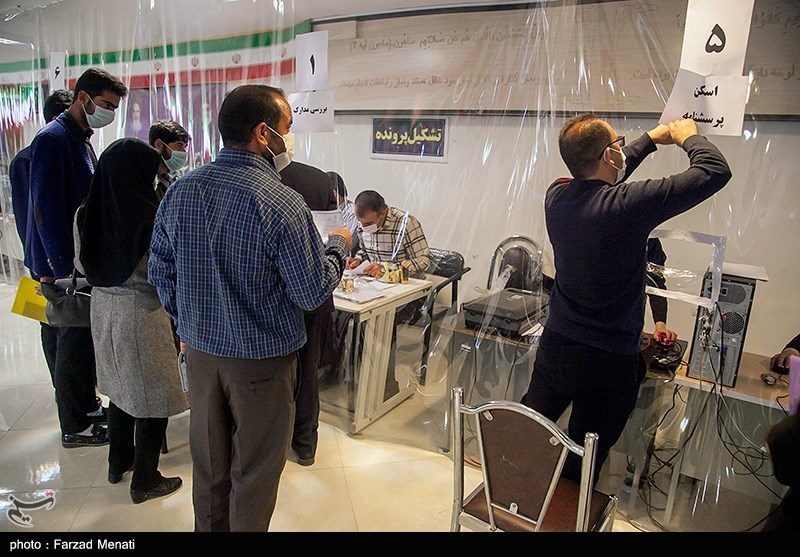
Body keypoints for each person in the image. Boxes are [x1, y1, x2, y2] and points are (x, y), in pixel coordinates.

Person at [148, 84, 351, 531]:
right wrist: (338, 246)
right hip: (262, 366)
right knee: (255, 473)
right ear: (264, 133)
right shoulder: (282, 203)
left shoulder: (182, 189)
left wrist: (188, 326)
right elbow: (310, 293)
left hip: (200, 358)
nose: (289, 139)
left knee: (209, 468)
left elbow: (160, 271)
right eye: (287, 128)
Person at [520, 114, 732, 484]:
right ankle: (569, 507)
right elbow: (714, 171)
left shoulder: (556, 197)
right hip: (610, 359)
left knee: (527, 426)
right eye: (618, 144)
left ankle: (511, 496)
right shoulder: (628, 206)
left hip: (559, 346)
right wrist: (688, 138)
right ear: (608, 155)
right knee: (587, 453)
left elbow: (602, 176)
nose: (622, 149)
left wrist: (649, 140)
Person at [76, 138, 189, 504]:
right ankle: (145, 479)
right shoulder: (148, 216)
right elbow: (163, 273)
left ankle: (118, 461)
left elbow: (79, 263)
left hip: (102, 309)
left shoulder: (85, 212)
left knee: (120, 390)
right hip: (142, 313)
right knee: (154, 397)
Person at [25, 67, 128, 448]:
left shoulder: (80, 139)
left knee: (83, 344)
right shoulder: (52, 140)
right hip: (64, 269)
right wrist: (61, 268)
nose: (109, 113)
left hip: (80, 264)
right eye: (105, 105)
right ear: (83, 97)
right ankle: (74, 425)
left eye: (114, 107)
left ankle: (87, 407)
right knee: (70, 345)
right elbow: (46, 209)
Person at [9, 88, 73, 384]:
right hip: (45, 261)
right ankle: (63, 389)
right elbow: (32, 216)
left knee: (59, 326)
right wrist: (44, 264)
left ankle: (70, 389)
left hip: (46, 258)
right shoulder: (29, 159)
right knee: (52, 326)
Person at [279, 160, 339, 467]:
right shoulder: (317, 179)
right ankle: (304, 443)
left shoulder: (231, 182)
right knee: (306, 370)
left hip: (266, 298)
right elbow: (329, 238)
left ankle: (275, 443)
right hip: (311, 296)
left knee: (269, 377)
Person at [346, 190, 430, 279]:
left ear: (383, 213)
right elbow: (364, 251)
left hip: (405, 282)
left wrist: (387, 269)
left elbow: (423, 261)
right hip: (374, 281)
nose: (363, 226)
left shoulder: (406, 223)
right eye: (359, 221)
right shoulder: (363, 223)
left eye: (368, 223)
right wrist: (358, 260)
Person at [148, 119, 191, 201]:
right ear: (159, 144)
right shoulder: (147, 178)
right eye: (179, 145)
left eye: (185, 147)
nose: (183, 151)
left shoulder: (177, 179)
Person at [328, 171, 359, 256]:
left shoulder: (352, 212)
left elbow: (346, 244)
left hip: (344, 259)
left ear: (334, 193)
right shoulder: (323, 211)